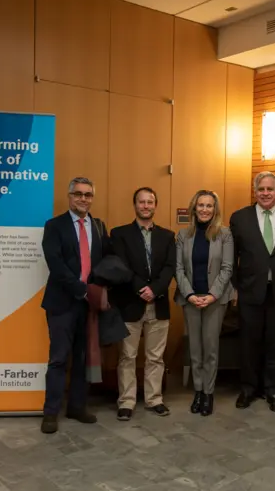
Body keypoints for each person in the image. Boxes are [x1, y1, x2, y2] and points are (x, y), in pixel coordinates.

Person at [40, 177, 110, 434]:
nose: (83, 199)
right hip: (62, 302)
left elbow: (105, 262)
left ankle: (77, 407)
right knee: (58, 359)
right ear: (69, 196)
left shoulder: (100, 227)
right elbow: (55, 263)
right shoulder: (54, 226)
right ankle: (50, 413)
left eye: (88, 195)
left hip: (88, 305)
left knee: (83, 358)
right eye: (78, 194)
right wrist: (80, 289)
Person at [229, 171, 275, 412]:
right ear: (255, 191)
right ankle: (248, 389)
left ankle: (273, 390)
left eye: (270, 189)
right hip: (250, 291)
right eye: (261, 189)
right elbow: (232, 257)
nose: (266, 193)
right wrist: (235, 287)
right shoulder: (240, 218)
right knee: (249, 343)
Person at [110, 187, 176, 421]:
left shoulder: (168, 236)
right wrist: (141, 289)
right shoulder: (119, 234)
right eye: (142, 202)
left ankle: (154, 399)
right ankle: (126, 401)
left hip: (158, 304)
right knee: (127, 356)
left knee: (155, 357)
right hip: (130, 303)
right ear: (135, 205)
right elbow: (122, 266)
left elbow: (170, 267)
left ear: (155, 205)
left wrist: (155, 289)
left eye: (150, 202)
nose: (146, 206)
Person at [175, 190, 234, 417]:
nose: (204, 209)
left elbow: (227, 268)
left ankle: (208, 393)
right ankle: (197, 391)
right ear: (194, 208)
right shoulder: (183, 235)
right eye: (201, 205)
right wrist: (190, 295)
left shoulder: (225, 234)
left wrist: (212, 295)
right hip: (190, 299)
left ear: (215, 210)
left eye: (209, 206)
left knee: (210, 349)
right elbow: (178, 269)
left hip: (214, 300)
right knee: (195, 349)